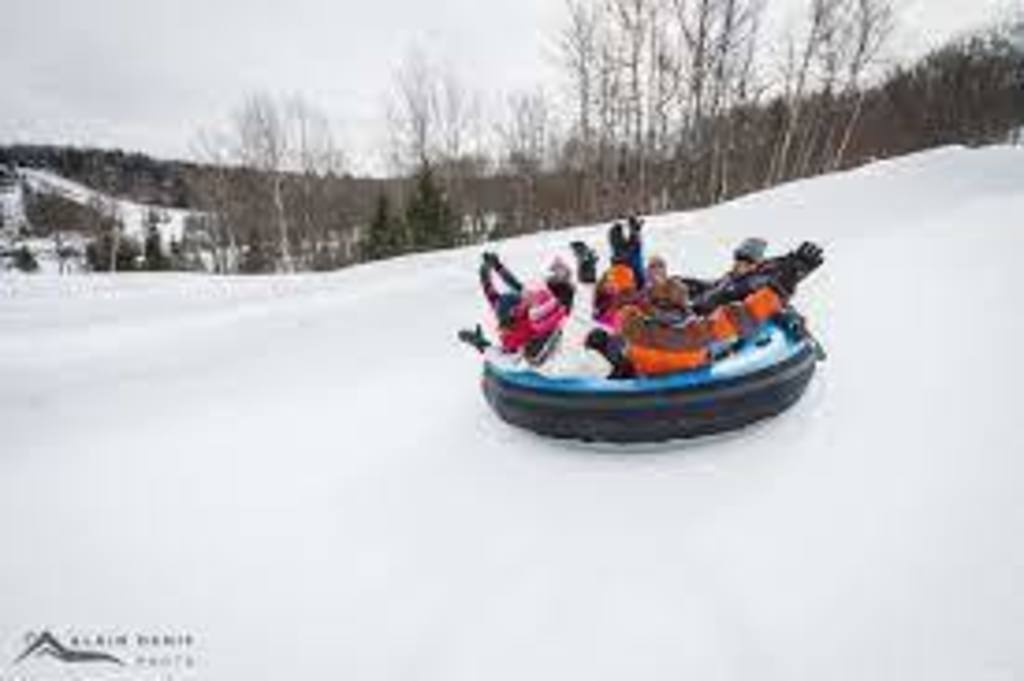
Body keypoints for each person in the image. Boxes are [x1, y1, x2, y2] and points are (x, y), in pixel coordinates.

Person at [584, 241, 825, 379]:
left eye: (746, 261)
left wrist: (621, 264)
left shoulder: (633, 324)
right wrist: (784, 285)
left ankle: (614, 373)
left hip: (642, 371)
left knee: (608, 341)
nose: (740, 265)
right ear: (685, 307)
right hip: (687, 368)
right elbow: (748, 312)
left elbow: (624, 297)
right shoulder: (701, 331)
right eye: (738, 260)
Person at [458, 252, 574, 366]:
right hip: (527, 354)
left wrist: (496, 267)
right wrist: (487, 269)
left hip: (539, 345)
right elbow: (489, 287)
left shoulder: (526, 309)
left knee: (539, 311)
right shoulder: (505, 314)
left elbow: (513, 285)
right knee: (510, 355)